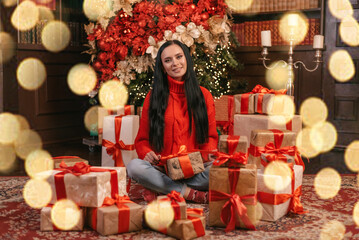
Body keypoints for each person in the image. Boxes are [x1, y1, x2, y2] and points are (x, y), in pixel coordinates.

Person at [126, 40, 218, 204]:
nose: (175, 63)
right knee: (134, 166)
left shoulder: (204, 95)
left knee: (221, 169)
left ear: (187, 59)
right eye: (168, 60)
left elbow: (211, 138)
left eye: (179, 57)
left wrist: (196, 161)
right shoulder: (152, 97)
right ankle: (190, 193)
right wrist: (146, 153)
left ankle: (167, 188)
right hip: (162, 168)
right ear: (162, 67)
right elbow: (142, 141)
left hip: (196, 169)